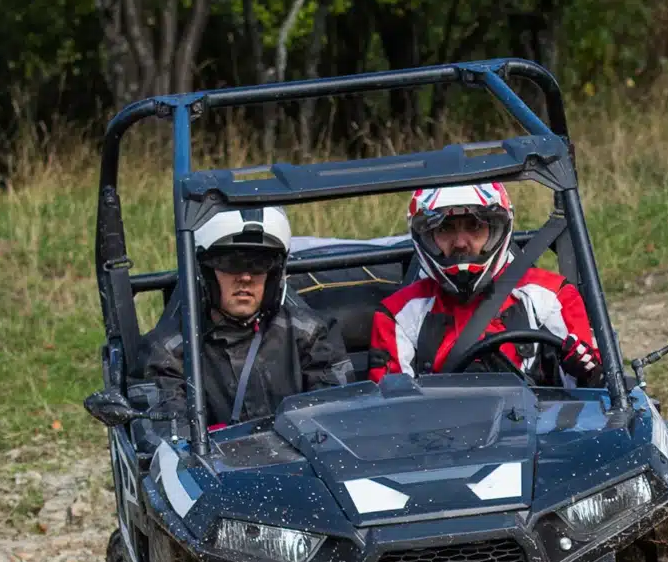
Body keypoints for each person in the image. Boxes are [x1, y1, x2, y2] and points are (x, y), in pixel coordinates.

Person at [370, 183, 603, 384]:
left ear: (496, 231)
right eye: (445, 228)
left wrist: (584, 373)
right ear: (427, 236)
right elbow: (393, 413)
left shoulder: (552, 296)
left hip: (539, 429)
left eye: (474, 226)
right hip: (441, 432)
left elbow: (593, 403)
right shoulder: (397, 314)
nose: (461, 243)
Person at [144, 206, 352, 427]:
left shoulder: (312, 334)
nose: (245, 277)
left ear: (274, 274)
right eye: (231, 263)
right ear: (205, 273)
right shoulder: (167, 352)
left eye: (259, 264)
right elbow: (167, 440)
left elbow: (340, 421)